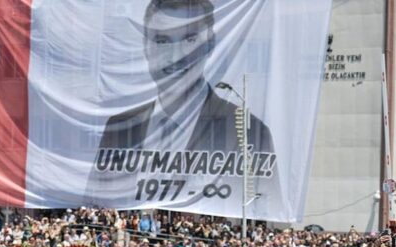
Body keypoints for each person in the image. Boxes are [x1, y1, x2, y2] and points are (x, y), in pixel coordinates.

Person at [87, 0, 275, 205]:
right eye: (162, 41)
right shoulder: (119, 127)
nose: (176, 57)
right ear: (146, 48)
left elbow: (266, 204)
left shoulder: (248, 132)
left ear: (210, 44)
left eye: (189, 39)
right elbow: (94, 199)